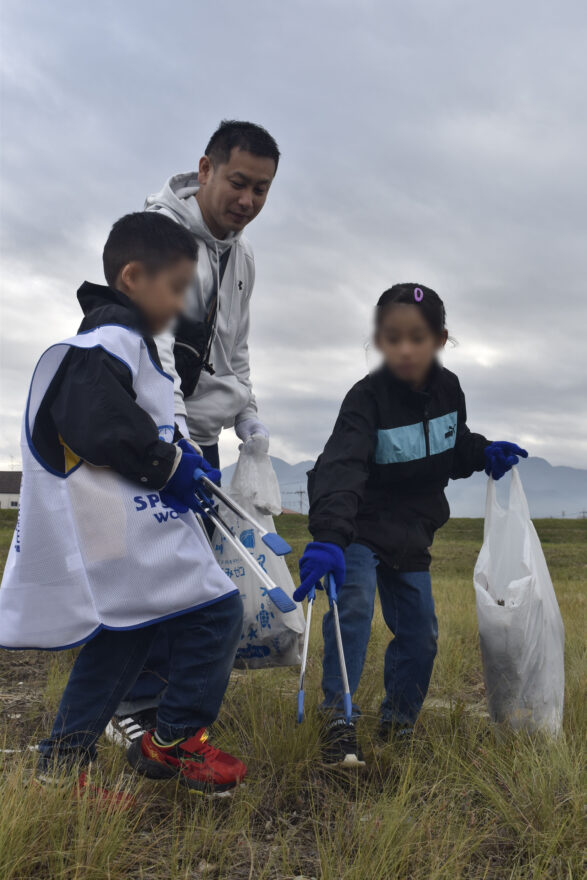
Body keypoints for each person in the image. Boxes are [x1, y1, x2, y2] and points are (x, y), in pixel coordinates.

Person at [0, 212, 247, 798]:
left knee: (123, 635)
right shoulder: (107, 340)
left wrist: (188, 460)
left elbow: (148, 420)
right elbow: (96, 420)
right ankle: (175, 738)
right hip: (128, 526)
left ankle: (61, 766)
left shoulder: (129, 343)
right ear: (133, 277)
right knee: (217, 612)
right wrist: (166, 465)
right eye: (177, 288)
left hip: (121, 528)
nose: (184, 304)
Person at [293, 283, 528, 767]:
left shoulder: (449, 390)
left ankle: (398, 725)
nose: (404, 348)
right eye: (391, 337)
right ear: (379, 341)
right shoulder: (365, 399)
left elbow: (450, 442)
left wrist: (481, 452)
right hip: (357, 522)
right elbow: (343, 468)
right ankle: (338, 719)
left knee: (420, 634)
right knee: (353, 608)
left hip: (411, 529)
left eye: (416, 337)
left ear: (440, 339)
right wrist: (330, 539)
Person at [107, 120, 280, 745]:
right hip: (149, 438)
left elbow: (234, 351)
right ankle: (130, 705)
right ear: (205, 170)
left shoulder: (243, 257)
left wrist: (249, 417)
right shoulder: (160, 235)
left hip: (197, 442)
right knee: (148, 573)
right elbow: (151, 349)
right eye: (239, 182)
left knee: (191, 574)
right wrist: (175, 438)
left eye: (262, 190)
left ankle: (163, 701)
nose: (248, 200)